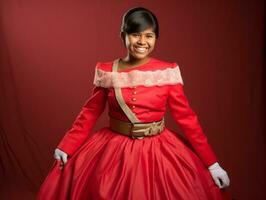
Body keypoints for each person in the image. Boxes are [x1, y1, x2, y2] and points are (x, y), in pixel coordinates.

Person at [37, 7, 231, 200]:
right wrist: (66, 146)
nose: (142, 42)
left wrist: (212, 164)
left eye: (149, 36)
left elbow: (188, 120)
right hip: (114, 151)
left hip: (160, 152)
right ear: (124, 35)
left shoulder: (167, 71)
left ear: (155, 38)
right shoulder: (107, 70)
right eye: (136, 34)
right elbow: (89, 113)